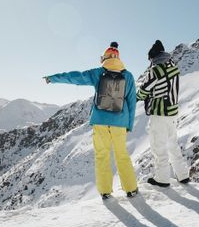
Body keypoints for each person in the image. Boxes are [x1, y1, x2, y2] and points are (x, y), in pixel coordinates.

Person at [44, 42, 139, 199]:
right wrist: (128, 124)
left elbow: (75, 77)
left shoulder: (98, 73)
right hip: (120, 122)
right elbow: (131, 102)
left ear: (105, 57)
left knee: (102, 156)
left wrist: (53, 78)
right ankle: (131, 189)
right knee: (122, 155)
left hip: (100, 120)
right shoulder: (128, 76)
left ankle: (105, 192)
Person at [136, 40, 191, 187]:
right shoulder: (174, 68)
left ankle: (162, 178)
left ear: (154, 57)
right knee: (172, 143)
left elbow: (144, 91)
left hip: (159, 113)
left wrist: (134, 98)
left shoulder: (156, 70)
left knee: (158, 146)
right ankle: (183, 175)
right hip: (172, 112)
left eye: (150, 59)